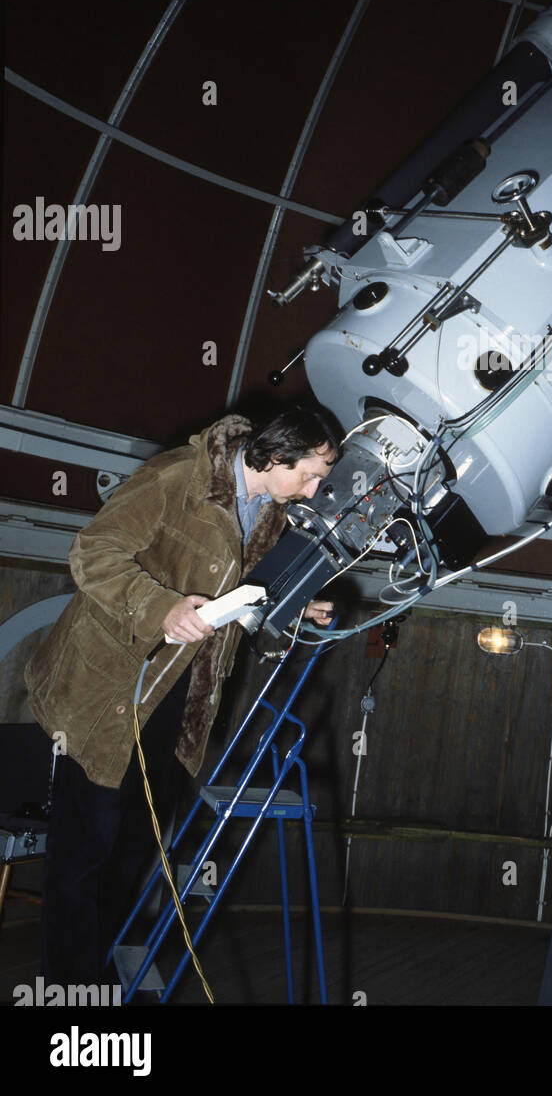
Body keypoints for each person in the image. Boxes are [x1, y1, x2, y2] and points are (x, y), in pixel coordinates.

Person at [25, 405, 342, 987]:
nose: (316, 489)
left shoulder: (271, 513)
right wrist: (159, 607)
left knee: (130, 854)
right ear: (274, 456)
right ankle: (67, 1002)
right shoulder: (176, 478)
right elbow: (91, 553)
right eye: (312, 474)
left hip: (178, 698)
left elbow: (233, 598)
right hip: (107, 691)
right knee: (82, 856)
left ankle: (98, 982)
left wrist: (286, 609)